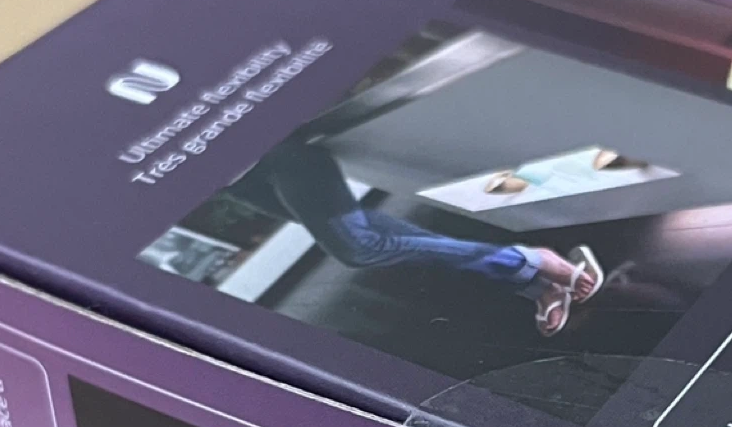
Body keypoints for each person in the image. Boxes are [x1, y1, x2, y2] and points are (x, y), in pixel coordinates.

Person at [229, 136, 602, 335]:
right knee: (371, 233)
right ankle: (534, 282)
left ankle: (530, 260)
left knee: (358, 247)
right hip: (241, 182)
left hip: (272, 153)